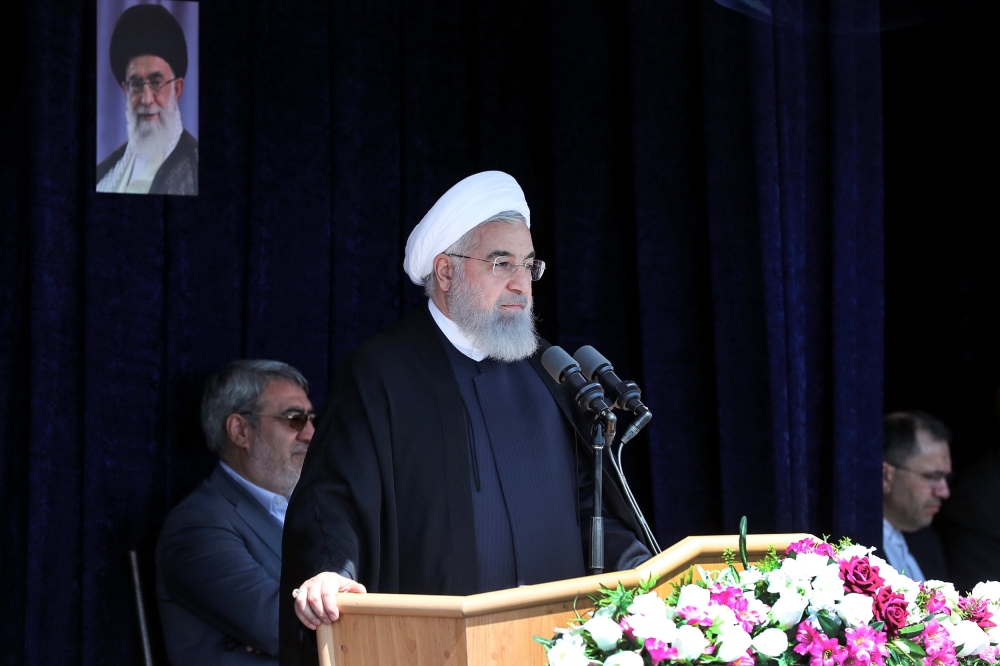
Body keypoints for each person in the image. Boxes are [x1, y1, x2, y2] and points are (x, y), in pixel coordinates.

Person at [279, 171, 651, 665]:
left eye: (529, 265)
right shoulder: (384, 371)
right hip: (435, 650)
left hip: (558, 646)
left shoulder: (546, 371)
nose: (522, 283)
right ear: (446, 272)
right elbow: (334, 495)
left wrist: (644, 574)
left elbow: (590, 502)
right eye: (501, 263)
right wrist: (330, 570)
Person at [157, 360, 315, 664]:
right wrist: (289, 632)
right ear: (240, 431)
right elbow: (280, 628)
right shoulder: (197, 526)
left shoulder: (314, 511)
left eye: (311, 419)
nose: (310, 434)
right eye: (294, 418)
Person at [96, 4, 198, 195]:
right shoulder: (103, 174)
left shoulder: (197, 168)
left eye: (156, 82)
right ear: (126, 90)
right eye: (136, 84)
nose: (146, 99)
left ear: (177, 89)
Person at [882, 411, 952, 582]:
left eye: (946, 478)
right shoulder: (848, 546)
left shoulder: (927, 542)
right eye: (932, 477)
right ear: (886, 476)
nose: (944, 492)